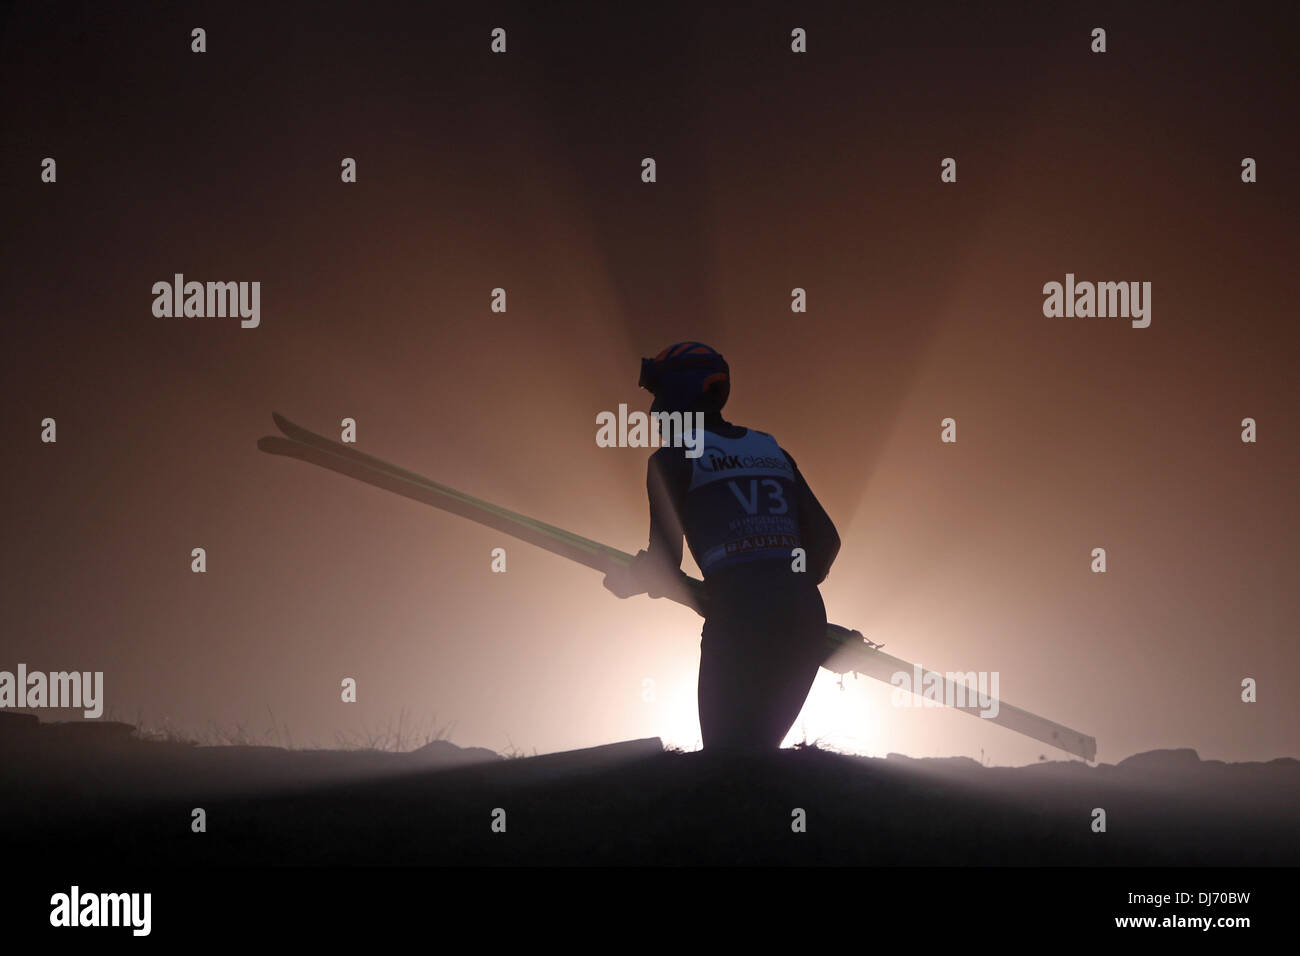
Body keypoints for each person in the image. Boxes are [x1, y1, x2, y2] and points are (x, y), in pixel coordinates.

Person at [603, 342, 841, 751]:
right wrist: (788, 589)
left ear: (685, 394)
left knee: (728, 759)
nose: (654, 411)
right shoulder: (772, 450)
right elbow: (827, 540)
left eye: (660, 396)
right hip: (804, 617)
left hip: (738, 617)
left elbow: (662, 566)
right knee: (758, 753)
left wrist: (629, 581)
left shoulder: (672, 459)